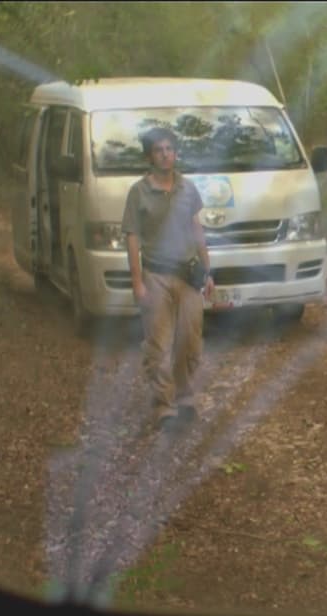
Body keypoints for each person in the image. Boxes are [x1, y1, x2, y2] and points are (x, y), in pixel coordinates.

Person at [120, 127, 215, 433]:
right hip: (156, 274)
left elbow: (196, 230)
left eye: (170, 149)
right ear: (150, 156)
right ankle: (164, 405)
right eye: (159, 150)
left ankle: (185, 398)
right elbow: (132, 238)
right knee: (159, 345)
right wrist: (138, 282)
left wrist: (208, 270)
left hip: (187, 275)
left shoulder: (187, 189)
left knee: (190, 341)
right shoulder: (139, 192)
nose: (165, 154)